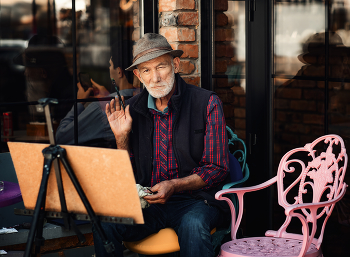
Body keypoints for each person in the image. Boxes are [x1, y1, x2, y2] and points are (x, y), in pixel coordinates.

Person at [93, 33, 230, 257]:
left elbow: (217, 168)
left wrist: (174, 185)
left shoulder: (206, 102)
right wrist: (121, 137)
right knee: (104, 224)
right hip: (150, 202)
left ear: (175, 65)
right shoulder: (132, 109)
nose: (155, 77)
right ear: (138, 75)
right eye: (146, 70)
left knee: (193, 224)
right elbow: (127, 177)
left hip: (195, 201)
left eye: (161, 67)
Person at [55, 43, 136, 146]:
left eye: (110, 65)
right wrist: (107, 96)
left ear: (119, 72)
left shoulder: (100, 108)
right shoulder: (141, 97)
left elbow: (62, 136)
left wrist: (79, 101)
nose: (109, 69)